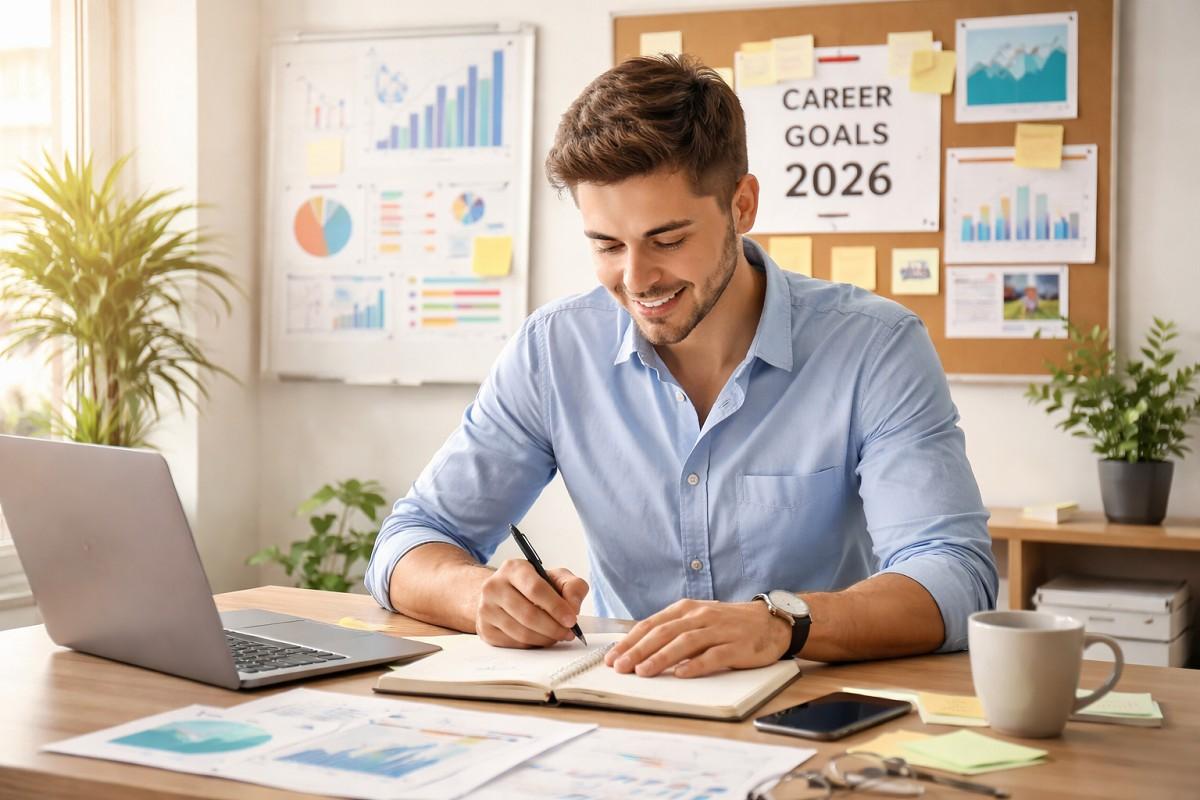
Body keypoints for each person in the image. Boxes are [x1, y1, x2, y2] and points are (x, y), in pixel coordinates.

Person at [366, 55, 996, 679]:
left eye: (668, 240)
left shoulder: (874, 348)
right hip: (621, 709)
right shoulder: (554, 350)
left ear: (742, 206)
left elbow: (954, 573)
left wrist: (783, 623)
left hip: (812, 707)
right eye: (608, 245)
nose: (636, 280)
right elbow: (409, 540)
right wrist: (480, 597)